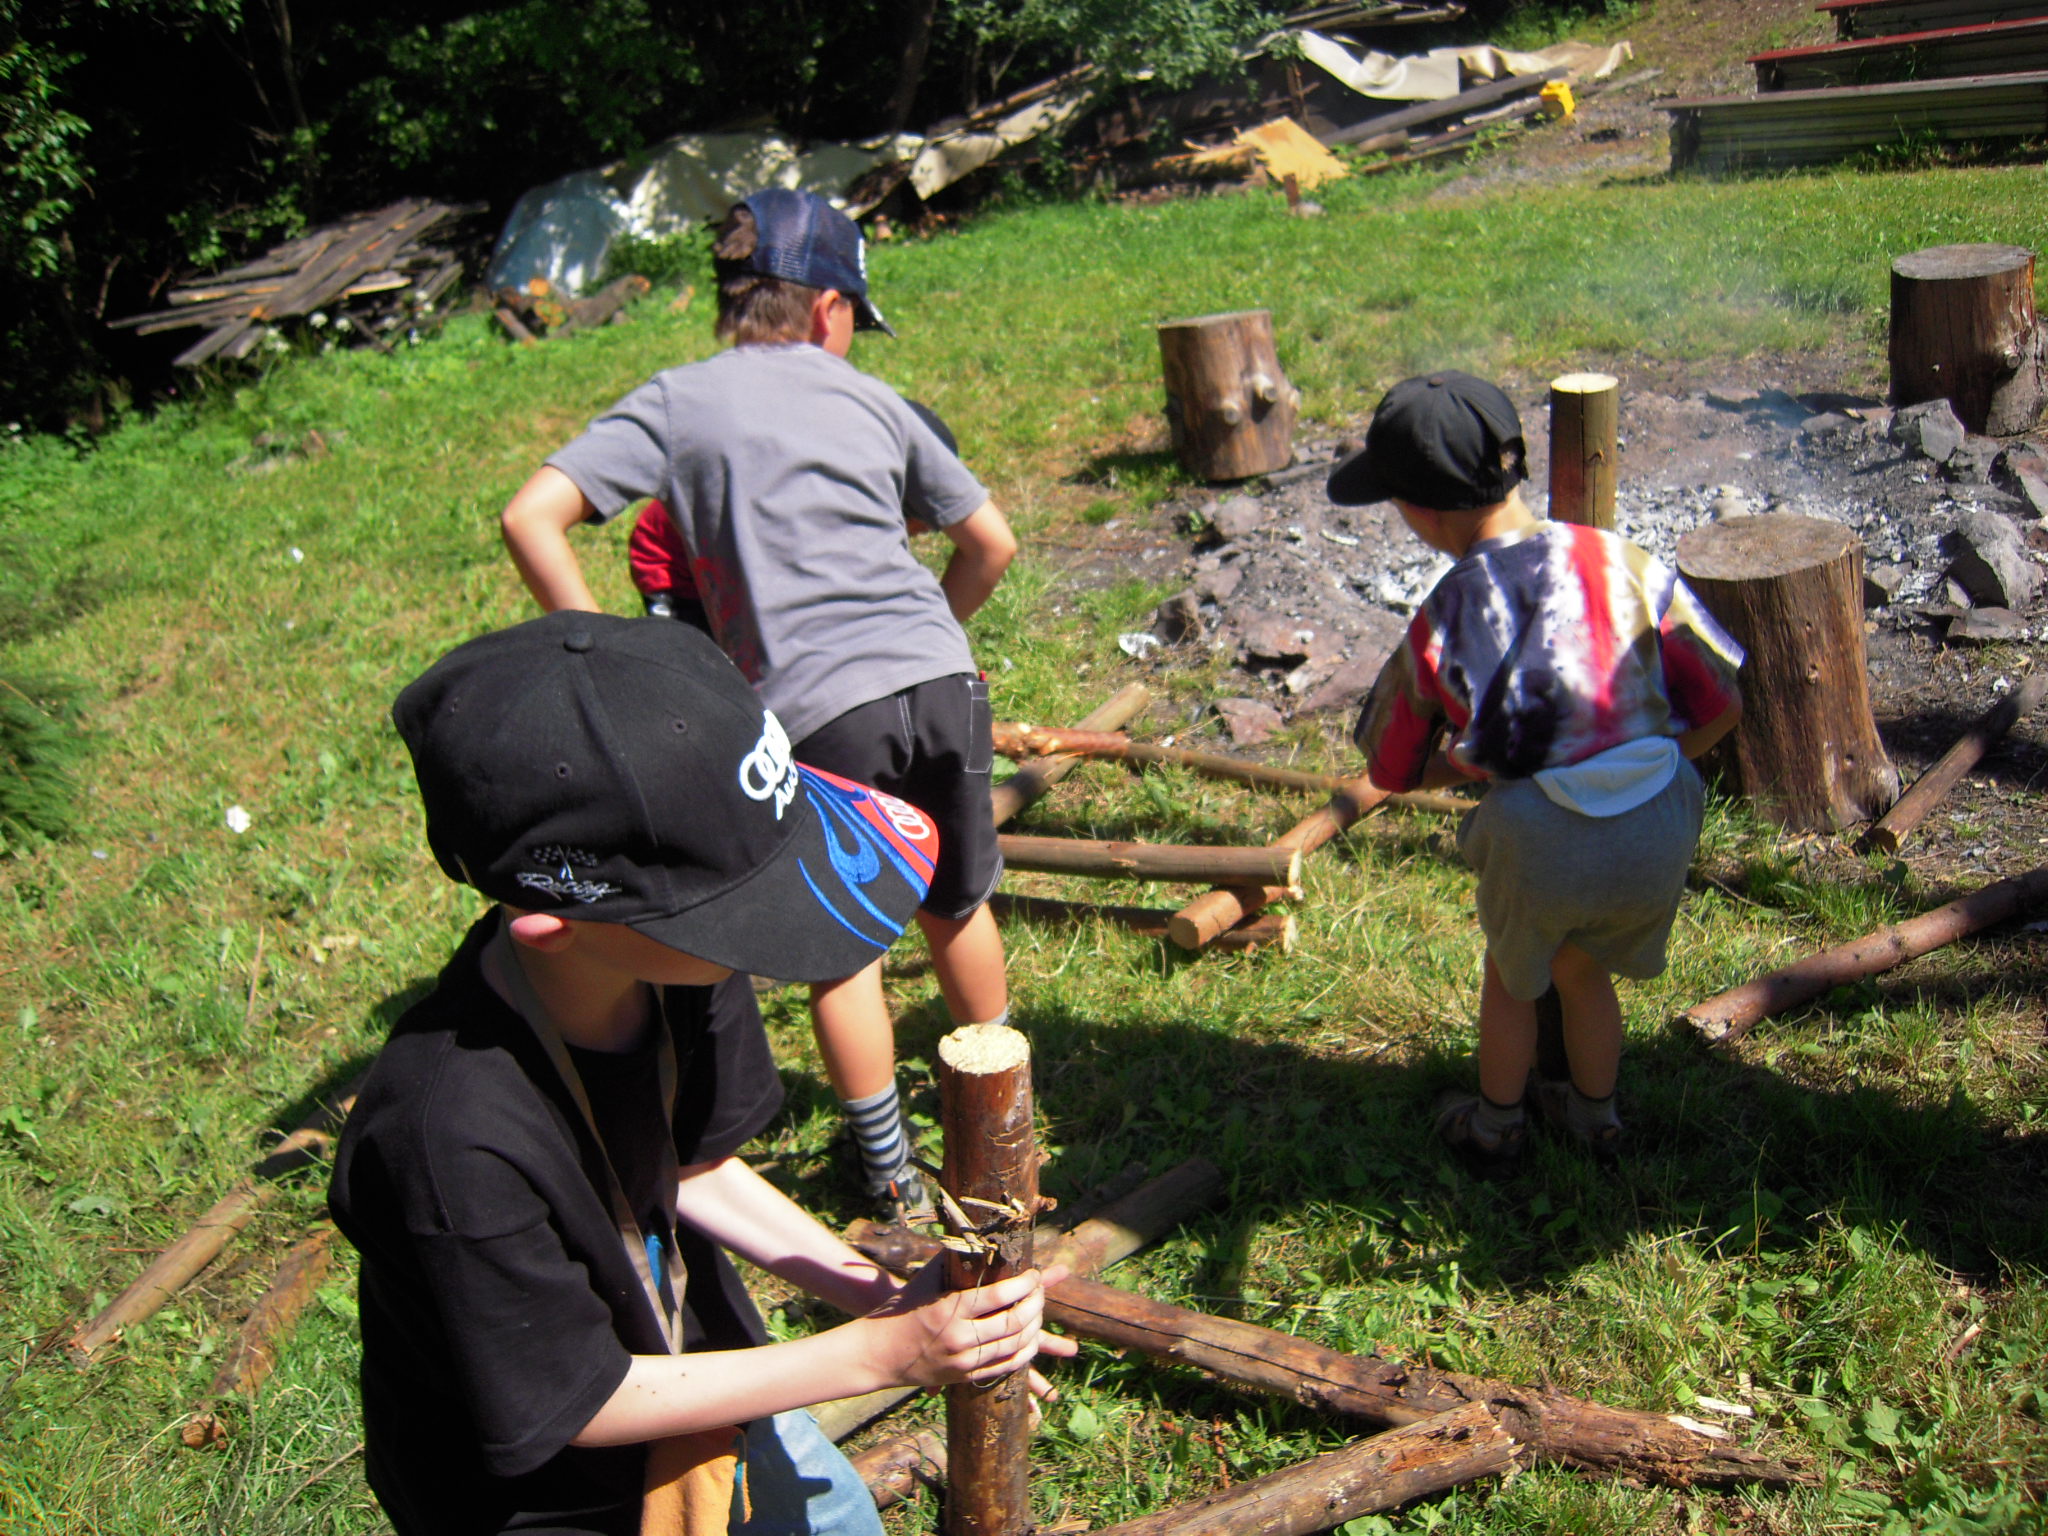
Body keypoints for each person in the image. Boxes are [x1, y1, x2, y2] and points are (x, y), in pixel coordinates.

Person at [328, 612, 1071, 1536]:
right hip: (561, 1500)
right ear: (553, 925)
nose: (765, 934)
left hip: (705, 1382)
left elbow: (694, 1168)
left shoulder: (666, 965)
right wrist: (884, 1353)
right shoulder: (445, 1139)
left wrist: (890, 1301)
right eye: (738, 909)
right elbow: (582, 1399)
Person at [500, 188, 1017, 1219]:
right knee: (956, 902)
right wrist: (933, 637)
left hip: (818, 711)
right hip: (943, 683)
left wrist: (607, 657)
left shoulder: (677, 401)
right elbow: (990, 543)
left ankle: (893, 1181)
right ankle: (1002, 1130)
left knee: (844, 945)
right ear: (828, 309)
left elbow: (530, 517)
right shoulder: (874, 400)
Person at [1333, 372, 1745, 1171]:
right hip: (1662, 817)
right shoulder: (1625, 560)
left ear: (1419, 512)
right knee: (1582, 970)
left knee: (1513, 978)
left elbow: (1392, 765)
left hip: (1540, 834)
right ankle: (1596, 1118)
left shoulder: (1448, 612)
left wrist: (1467, 765)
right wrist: (1644, 763)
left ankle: (1496, 1126)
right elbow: (1722, 701)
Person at [627, 405, 958, 630]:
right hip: (674, 565)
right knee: (707, 673)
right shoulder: (796, 505)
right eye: (920, 526)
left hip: (743, 549)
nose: (919, 535)